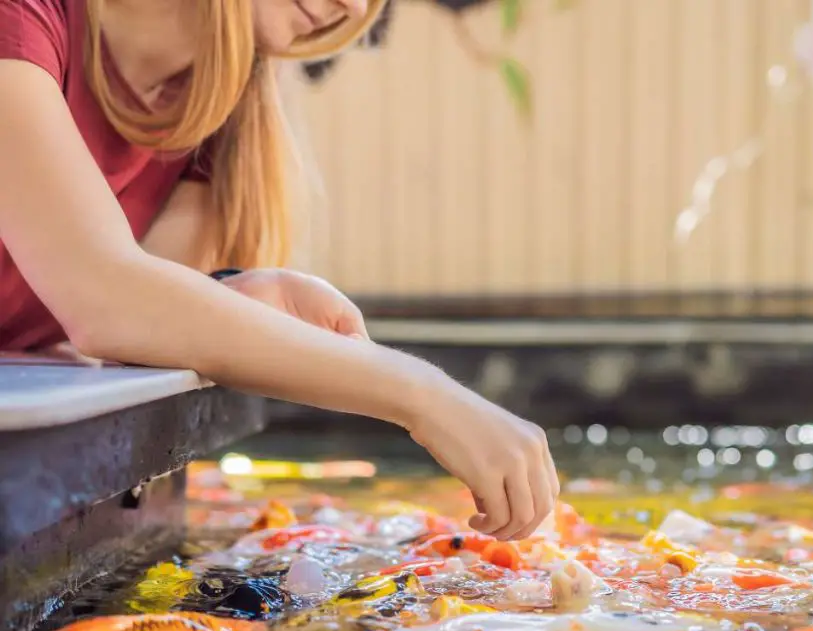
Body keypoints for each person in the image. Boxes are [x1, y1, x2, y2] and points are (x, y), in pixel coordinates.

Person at [0, 0, 558, 541]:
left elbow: (143, 327)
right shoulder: (22, 18)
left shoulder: (214, 104)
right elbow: (105, 299)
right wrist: (426, 396)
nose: (353, 4)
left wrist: (232, 293)